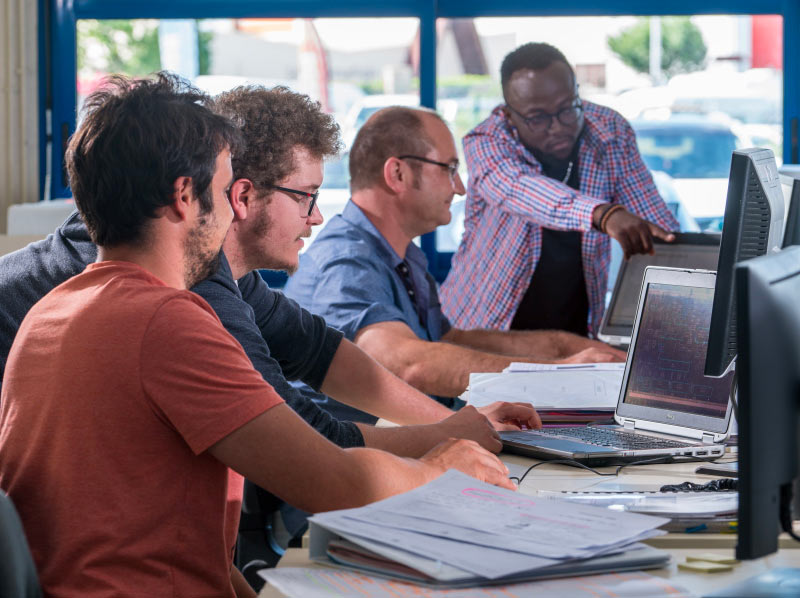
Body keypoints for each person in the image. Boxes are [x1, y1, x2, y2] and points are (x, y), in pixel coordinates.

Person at [0, 73, 512, 598]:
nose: (232, 211)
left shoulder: (51, 312)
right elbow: (332, 483)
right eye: (225, 191)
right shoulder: (168, 320)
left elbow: (171, 539)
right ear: (184, 197)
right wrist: (440, 466)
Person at [284, 106, 624, 424]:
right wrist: (559, 377)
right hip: (351, 471)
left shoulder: (403, 255)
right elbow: (408, 364)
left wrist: (564, 349)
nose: (460, 188)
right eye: (449, 169)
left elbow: (447, 339)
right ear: (398, 173)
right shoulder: (346, 260)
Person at [440, 42, 680, 337]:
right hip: (482, 327)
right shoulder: (486, 140)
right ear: (509, 113)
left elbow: (657, 224)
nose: (558, 126)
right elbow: (520, 190)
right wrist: (603, 215)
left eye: (568, 109)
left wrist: (688, 264)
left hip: (572, 332)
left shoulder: (610, 132)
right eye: (538, 117)